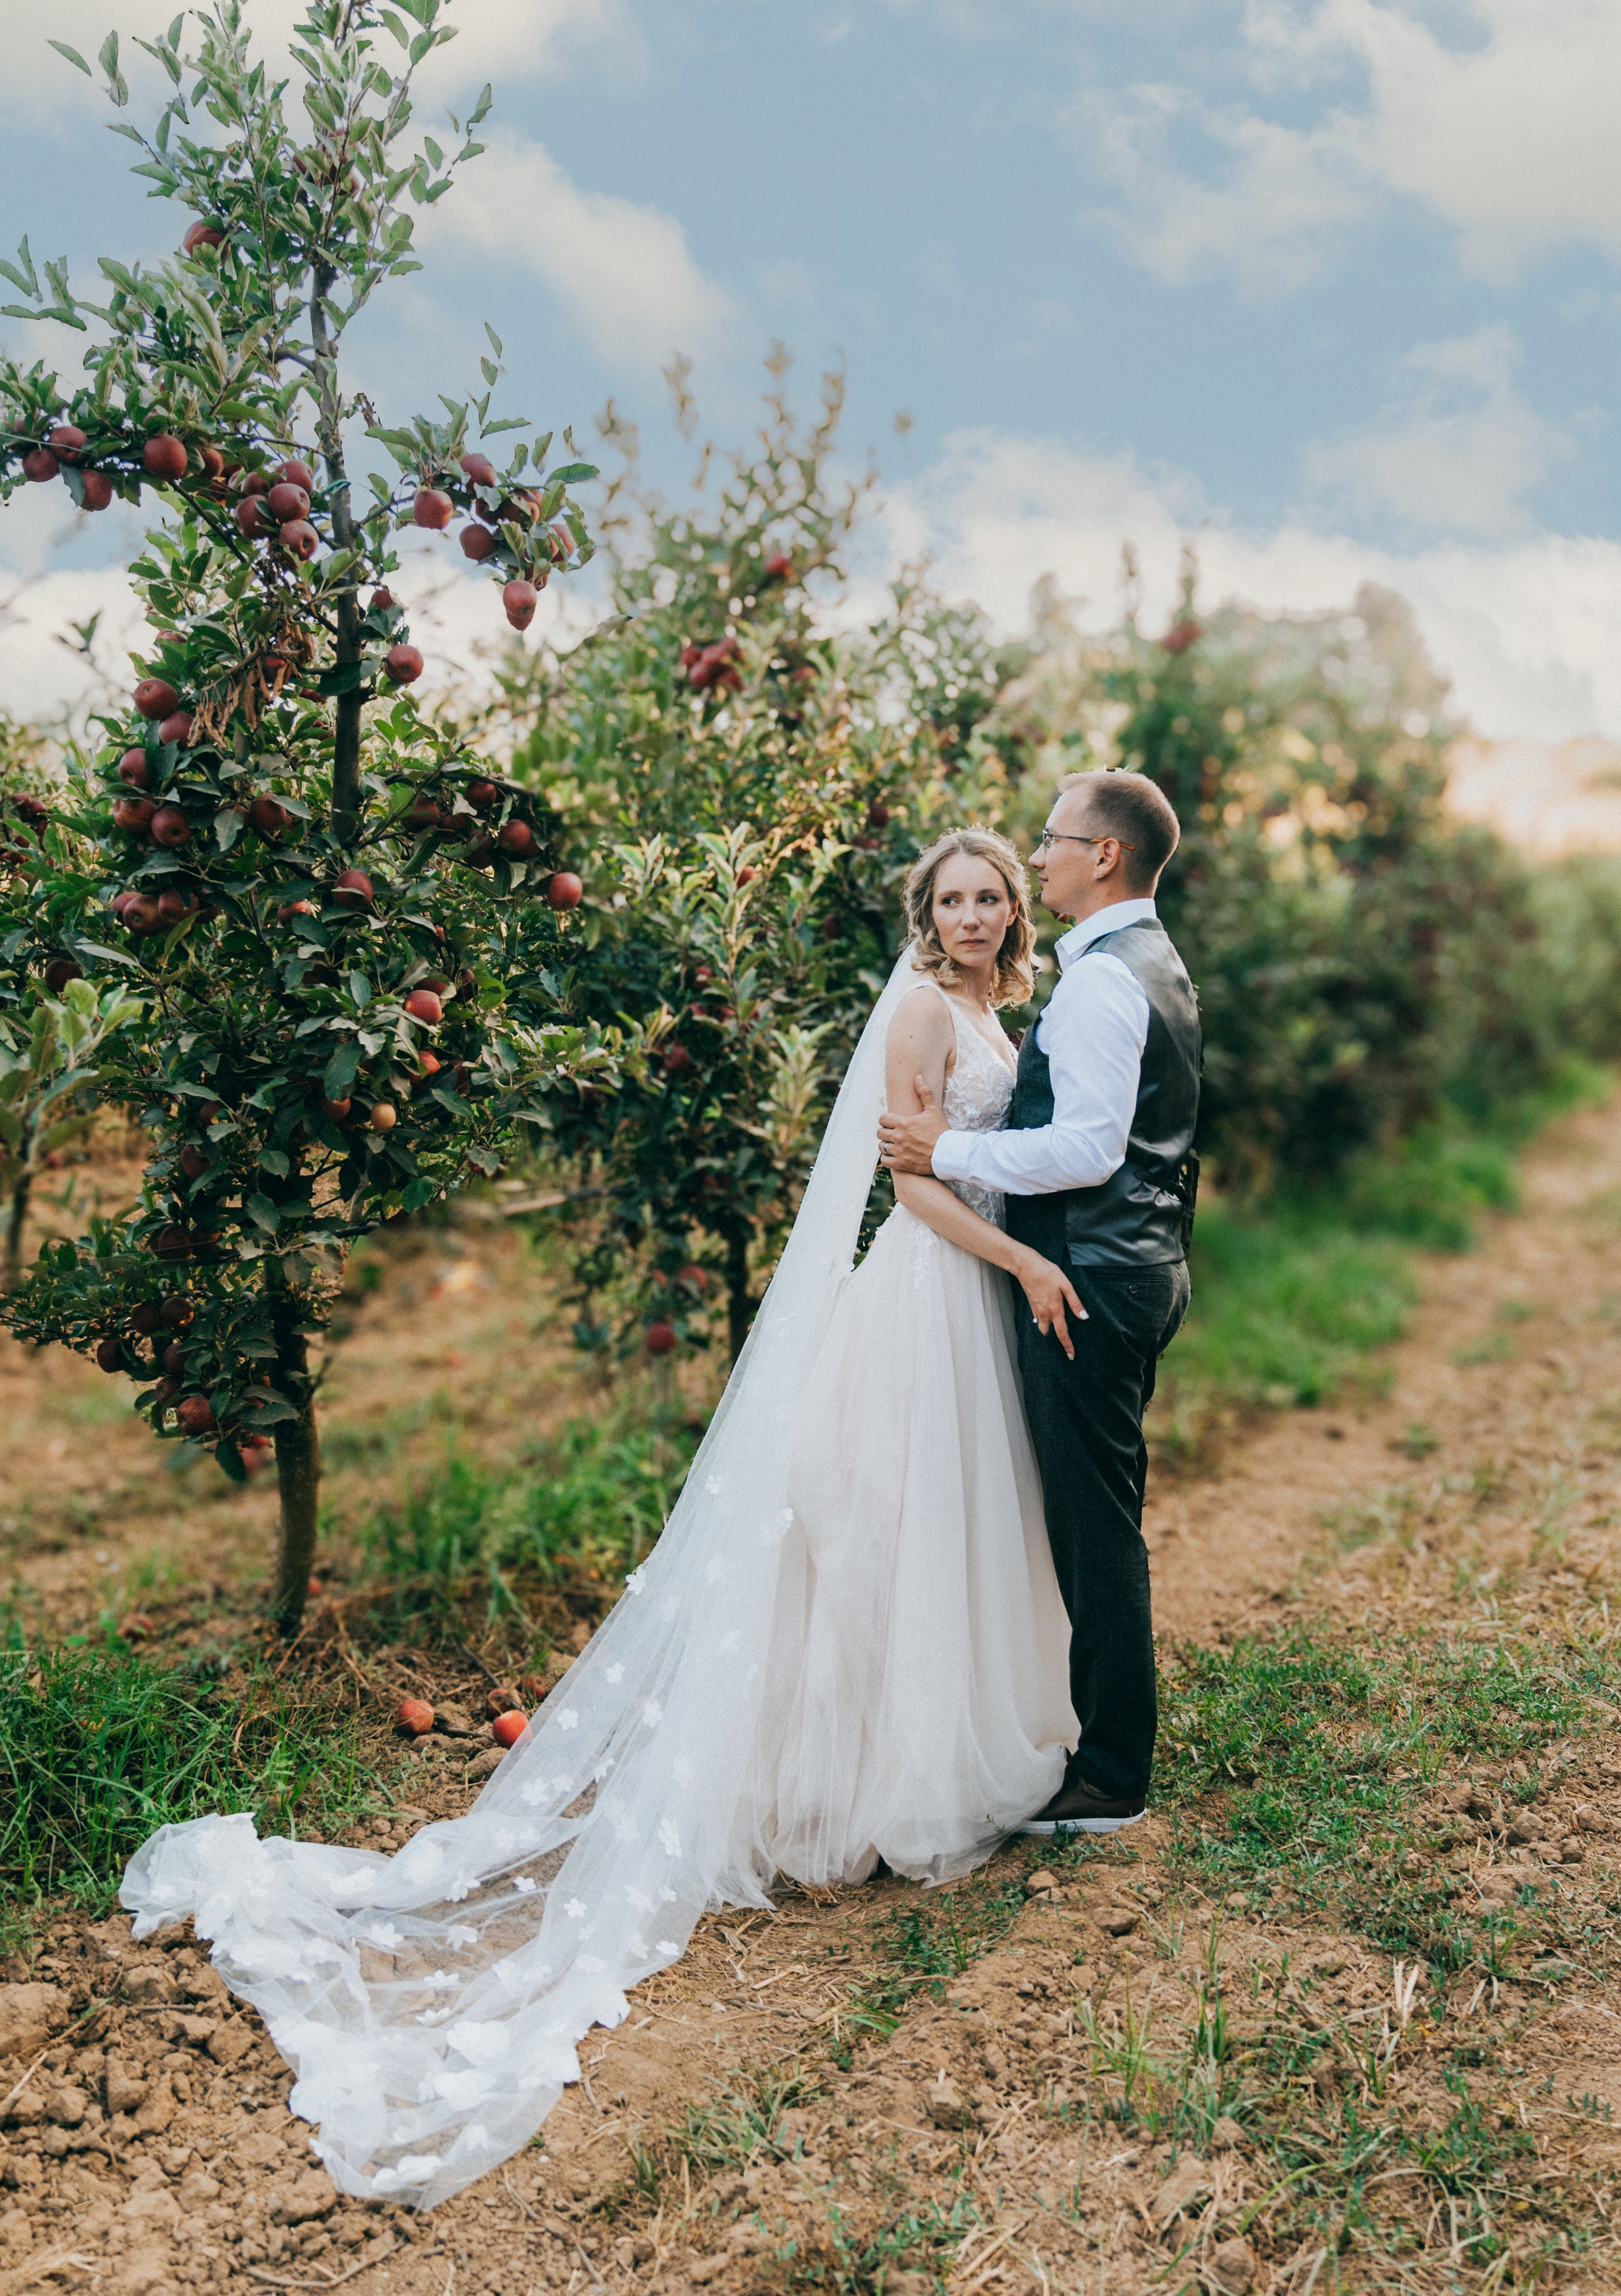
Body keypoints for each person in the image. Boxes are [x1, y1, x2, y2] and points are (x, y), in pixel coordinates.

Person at [121, 828, 1084, 2209]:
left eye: (993, 895)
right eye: (955, 898)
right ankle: (856, 1796)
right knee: (880, 1539)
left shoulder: (1006, 1010)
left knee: (953, 1539)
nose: (978, 914)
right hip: (932, 1295)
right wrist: (1019, 1257)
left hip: (979, 1303)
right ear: (925, 915)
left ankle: (921, 1764)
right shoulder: (925, 1009)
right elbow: (914, 1189)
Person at [879, 769, 1201, 1835]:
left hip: (1089, 1280)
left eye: (1054, 841)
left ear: (1102, 855)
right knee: (1076, 1515)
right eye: (954, 896)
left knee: (1091, 1527)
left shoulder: (1106, 979)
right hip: (1125, 1264)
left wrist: (949, 1147)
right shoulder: (1150, 966)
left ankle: (1109, 1774)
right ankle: (1079, 1737)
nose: (1043, 854)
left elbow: (1091, 1146)